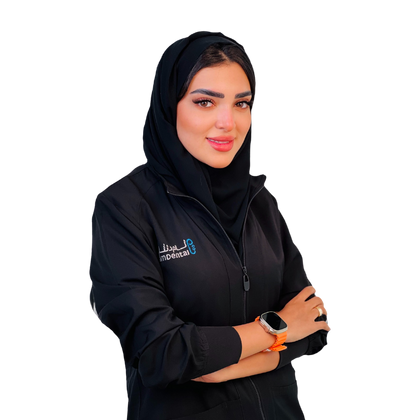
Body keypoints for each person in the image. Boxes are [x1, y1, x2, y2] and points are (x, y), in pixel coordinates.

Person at [88, 28, 333, 420]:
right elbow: (161, 354)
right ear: (170, 106)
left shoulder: (259, 199)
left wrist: (225, 367)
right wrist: (280, 327)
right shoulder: (124, 208)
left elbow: (317, 322)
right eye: (205, 102)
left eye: (241, 103)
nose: (228, 122)